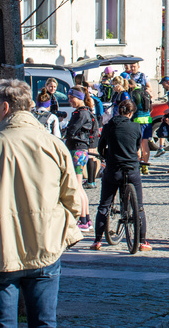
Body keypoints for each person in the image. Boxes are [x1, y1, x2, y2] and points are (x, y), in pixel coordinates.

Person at [0, 79, 82, 328]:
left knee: (3, 324)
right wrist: (59, 233)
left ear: (4, 107)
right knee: (45, 322)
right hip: (45, 247)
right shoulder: (53, 145)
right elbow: (74, 201)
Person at [91, 99, 152, 251]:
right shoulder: (136, 127)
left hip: (113, 168)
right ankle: (142, 241)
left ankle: (97, 240)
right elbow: (136, 147)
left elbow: (101, 147)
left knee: (104, 205)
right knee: (139, 207)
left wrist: (106, 155)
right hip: (131, 168)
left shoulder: (109, 126)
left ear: (118, 111)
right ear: (131, 113)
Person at [64, 86, 97, 231]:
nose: (70, 100)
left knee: (77, 186)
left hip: (77, 150)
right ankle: (87, 219)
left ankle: (83, 219)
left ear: (79, 98)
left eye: (72, 98)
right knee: (80, 187)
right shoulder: (85, 112)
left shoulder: (81, 113)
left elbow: (72, 130)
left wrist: (65, 131)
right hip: (81, 151)